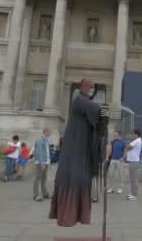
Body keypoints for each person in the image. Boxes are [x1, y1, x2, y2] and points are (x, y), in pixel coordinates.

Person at [49, 79, 110, 227]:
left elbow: (97, 123)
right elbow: (94, 110)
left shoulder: (84, 103)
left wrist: (103, 117)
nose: (92, 89)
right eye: (90, 87)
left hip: (80, 152)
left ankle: (76, 216)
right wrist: (103, 111)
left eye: (94, 87)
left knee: (80, 182)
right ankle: (67, 217)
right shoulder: (79, 101)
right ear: (83, 88)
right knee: (75, 182)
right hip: (74, 154)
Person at [32, 128, 51, 202]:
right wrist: (42, 162)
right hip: (41, 162)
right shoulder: (39, 140)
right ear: (45, 132)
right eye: (49, 132)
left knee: (44, 178)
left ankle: (45, 193)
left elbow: (47, 151)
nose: (49, 134)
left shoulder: (46, 140)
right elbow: (38, 151)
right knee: (37, 178)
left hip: (46, 162)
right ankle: (36, 195)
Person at [124, 129, 142, 201]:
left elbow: (128, 147)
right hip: (133, 162)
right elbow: (128, 147)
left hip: (134, 162)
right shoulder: (136, 140)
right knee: (132, 179)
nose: (132, 135)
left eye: (133, 134)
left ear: (136, 134)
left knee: (134, 179)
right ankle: (132, 193)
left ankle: (134, 195)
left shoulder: (137, 140)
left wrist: (127, 146)